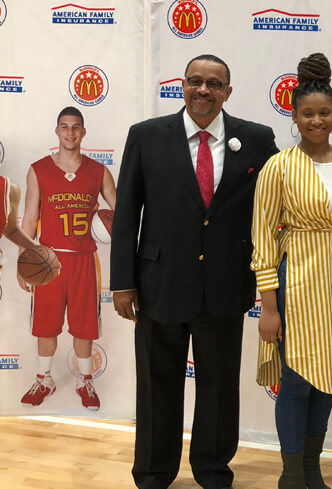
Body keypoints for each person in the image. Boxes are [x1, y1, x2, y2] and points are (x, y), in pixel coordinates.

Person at [110, 54, 279, 489]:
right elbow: (127, 212)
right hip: (158, 286)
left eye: (214, 83)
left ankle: (212, 469)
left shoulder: (257, 139)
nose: (203, 89)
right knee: (156, 384)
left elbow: (285, 190)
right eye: (195, 81)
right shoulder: (146, 136)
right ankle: (153, 472)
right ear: (182, 86)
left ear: (228, 91)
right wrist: (123, 282)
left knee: (219, 389)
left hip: (225, 285)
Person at [251, 53, 332, 489]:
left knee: (328, 379)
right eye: (307, 114)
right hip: (297, 280)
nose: (317, 121)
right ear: (294, 117)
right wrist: (269, 308)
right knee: (297, 380)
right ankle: (291, 474)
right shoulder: (278, 167)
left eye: (324, 113)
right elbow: (263, 241)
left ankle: (313, 468)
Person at [17, 106, 115, 411]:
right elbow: (30, 217)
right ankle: (44, 378)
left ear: (83, 132)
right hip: (48, 261)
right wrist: (23, 260)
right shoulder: (38, 169)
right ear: (57, 131)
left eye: (75, 127)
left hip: (85, 260)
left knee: (84, 325)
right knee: (46, 325)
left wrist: (112, 223)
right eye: (64, 127)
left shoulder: (99, 171)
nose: (70, 132)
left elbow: (121, 209)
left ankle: (85, 380)